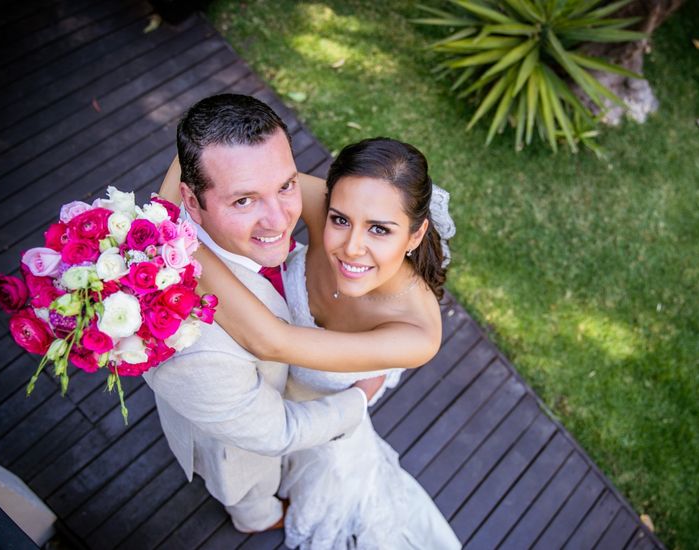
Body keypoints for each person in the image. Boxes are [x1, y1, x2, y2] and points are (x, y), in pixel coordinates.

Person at [158, 137, 461, 548]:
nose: (352, 248)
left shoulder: (418, 332)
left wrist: (175, 246)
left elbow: (271, 340)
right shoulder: (319, 205)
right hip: (259, 389)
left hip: (324, 409)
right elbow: (194, 159)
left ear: (414, 234)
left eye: (380, 229)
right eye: (340, 220)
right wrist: (208, 163)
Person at [142, 93, 385, 535]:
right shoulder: (190, 347)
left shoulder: (253, 232)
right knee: (249, 489)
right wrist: (359, 397)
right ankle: (257, 519)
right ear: (191, 203)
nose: (280, 220)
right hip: (236, 445)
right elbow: (278, 432)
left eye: (287, 185)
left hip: (276, 383)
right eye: (244, 201)